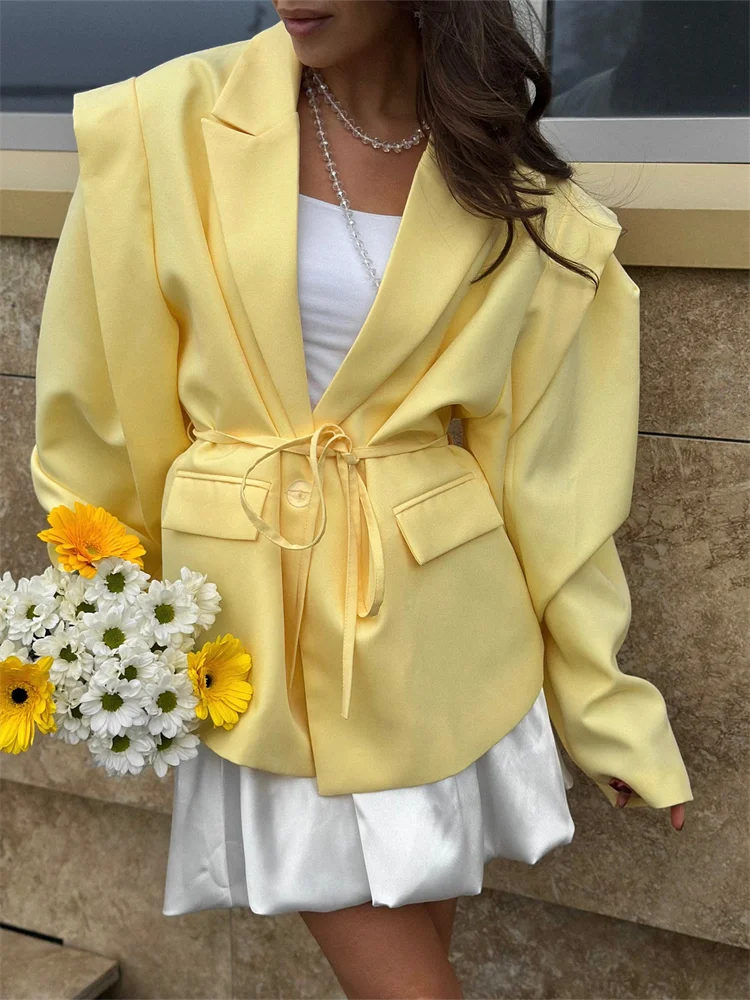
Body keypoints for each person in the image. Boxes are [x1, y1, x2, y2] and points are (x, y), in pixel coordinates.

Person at [31, 2, 693, 996]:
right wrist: (112, 615)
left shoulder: (506, 182)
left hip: (444, 636)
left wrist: (603, 706)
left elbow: (555, 483)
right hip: (256, 638)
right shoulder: (160, 124)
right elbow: (99, 403)